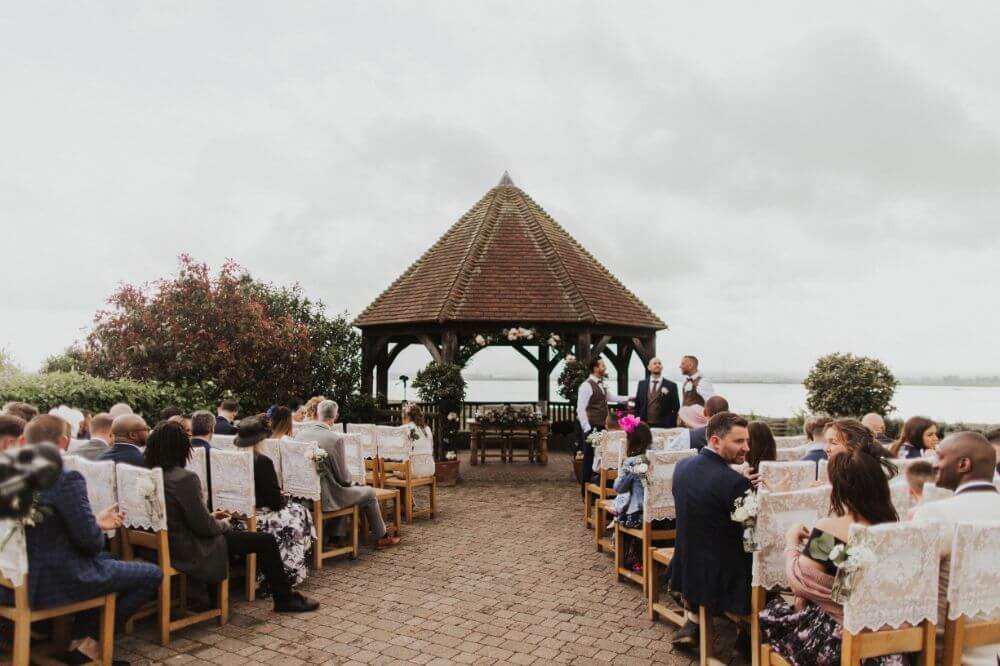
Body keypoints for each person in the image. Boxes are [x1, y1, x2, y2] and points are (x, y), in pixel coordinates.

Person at [3, 440, 162, 664]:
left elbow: (39, 531)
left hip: (10, 581)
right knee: (151, 573)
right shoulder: (63, 478)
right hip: (44, 584)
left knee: (109, 561)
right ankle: (90, 645)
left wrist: (94, 522)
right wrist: (92, 527)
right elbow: (90, 544)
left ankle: (77, 639)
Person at [145, 420, 319, 613]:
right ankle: (284, 598)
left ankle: (281, 595)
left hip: (165, 543)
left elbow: (178, 515)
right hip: (193, 546)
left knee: (261, 538)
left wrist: (210, 516)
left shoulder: (149, 475)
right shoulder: (184, 478)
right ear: (180, 448)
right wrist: (223, 523)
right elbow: (205, 528)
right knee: (266, 541)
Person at [759, 448, 903, 666]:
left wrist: (791, 542)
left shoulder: (831, 528)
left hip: (837, 641)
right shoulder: (896, 530)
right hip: (888, 645)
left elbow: (798, 583)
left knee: (775, 611)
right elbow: (852, 579)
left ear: (841, 489)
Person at [912, 431, 1000, 665]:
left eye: (939, 456)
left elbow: (910, 584)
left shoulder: (936, 513)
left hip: (949, 650)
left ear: (963, 464)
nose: (933, 463)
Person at [669, 412, 752, 649]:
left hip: (685, 564)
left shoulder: (682, 466)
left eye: (747, 441)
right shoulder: (733, 482)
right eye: (738, 441)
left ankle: (693, 621)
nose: (746, 447)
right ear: (715, 441)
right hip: (719, 574)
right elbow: (750, 535)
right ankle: (748, 633)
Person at [295, 400, 401, 549]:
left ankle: (335, 538)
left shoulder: (300, 435)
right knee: (368, 493)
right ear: (335, 416)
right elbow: (343, 479)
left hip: (305, 495)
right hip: (328, 496)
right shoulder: (335, 439)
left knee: (349, 493)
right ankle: (382, 537)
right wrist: (354, 482)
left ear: (318, 414)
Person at [234, 417, 314, 588]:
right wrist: (283, 497)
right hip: (261, 515)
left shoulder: (233, 459)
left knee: (297, 510)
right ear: (262, 440)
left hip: (237, 516)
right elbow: (275, 502)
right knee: (300, 512)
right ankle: (289, 569)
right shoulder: (262, 461)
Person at [577, 357, 631, 493]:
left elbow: (611, 398)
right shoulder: (586, 386)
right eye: (602, 365)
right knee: (590, 458)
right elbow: (580, 409)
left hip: (602, 427)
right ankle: (585, 491)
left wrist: (628, 398)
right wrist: (588, 429)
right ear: (595, 368)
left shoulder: (601, 384)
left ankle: (600, 488)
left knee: (602, 456)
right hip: (593, 427)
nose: (605, 368)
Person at [633, 357, 680, 428]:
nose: (657, 365)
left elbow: (676, 407)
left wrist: (672, 423)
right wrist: (637, 422)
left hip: (665, 425)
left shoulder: (671, 385)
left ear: (662, 367)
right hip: (644, 424)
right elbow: (637, 405)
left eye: (659, 363)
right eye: (654, 363)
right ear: (649, 367)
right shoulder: (641, 384)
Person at [400, 403, 436, 478]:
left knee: (394, 469)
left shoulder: (405, 428)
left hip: (412, 471)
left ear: (407, 416)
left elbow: (399, 451)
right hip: (430, 470)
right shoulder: (427, 429)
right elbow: (431, 448)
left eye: (403, 417)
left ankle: (403, 489)